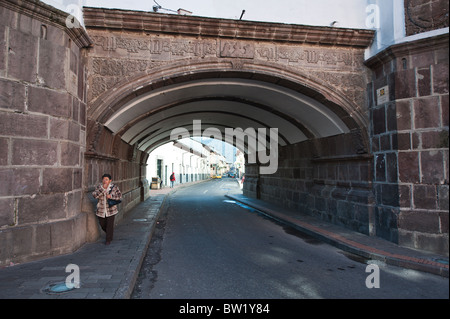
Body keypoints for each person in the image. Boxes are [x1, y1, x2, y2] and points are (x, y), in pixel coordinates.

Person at [92, 174, 122, 245]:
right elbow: (94, 195)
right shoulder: (99, 187)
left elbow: (119, 196)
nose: (105, 181)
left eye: (106, 179)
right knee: (102, 224)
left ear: (110, 180)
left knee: (109, 225)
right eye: (104, 179)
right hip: (101, 210)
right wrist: (102, 189)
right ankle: (110, 233)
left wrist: (111, 196)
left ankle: (108, 239)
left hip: (111, 210)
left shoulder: (114, 187)